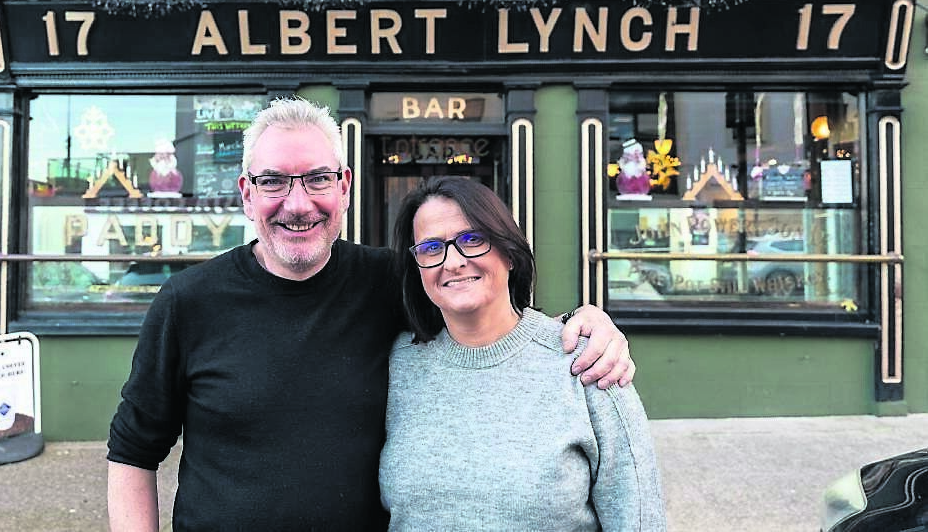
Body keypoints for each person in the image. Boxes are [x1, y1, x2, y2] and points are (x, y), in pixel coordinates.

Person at [107, 97, 636, 530]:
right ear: (247, 193)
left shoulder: (391, 282)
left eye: (316, 179)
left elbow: (480, 301)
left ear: (344, 187)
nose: (297, 203)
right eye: (273, 181)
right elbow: (134, 451)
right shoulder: (187, 301)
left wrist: (582, 323)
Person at [380, 176, 666, 531]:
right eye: (431, 248)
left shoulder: (588, 363)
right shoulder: (397, 365)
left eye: (472, 239)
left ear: (509, 253)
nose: (452, 262)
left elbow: (638, 520)